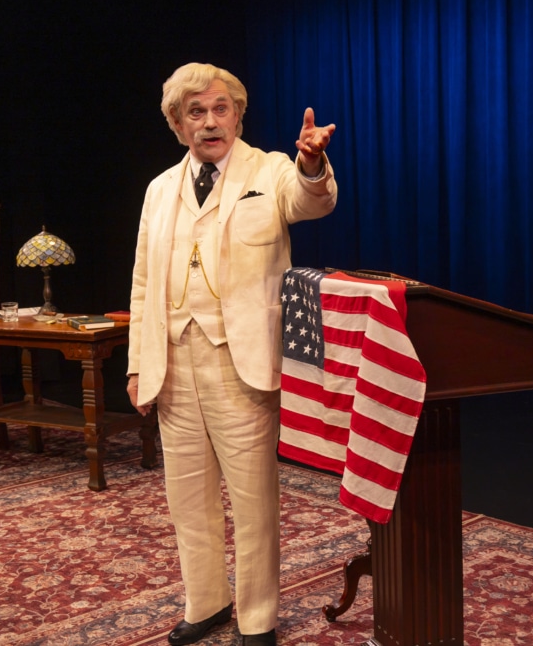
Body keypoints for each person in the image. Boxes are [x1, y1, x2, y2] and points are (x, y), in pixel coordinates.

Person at [126, 62, 337, 646]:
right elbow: (143, 280)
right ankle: (208, 602)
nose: (209, 121)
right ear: (176, 123)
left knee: (252, 501)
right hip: (173, 362)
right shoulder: (160, 189)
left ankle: (257, 618)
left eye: (221, 109)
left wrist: (313, 162)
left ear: (238, 115)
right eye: (195, 112)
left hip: (241, 362)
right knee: (187, 499)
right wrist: (138, 363)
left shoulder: (269, 170)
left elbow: (310, 200)